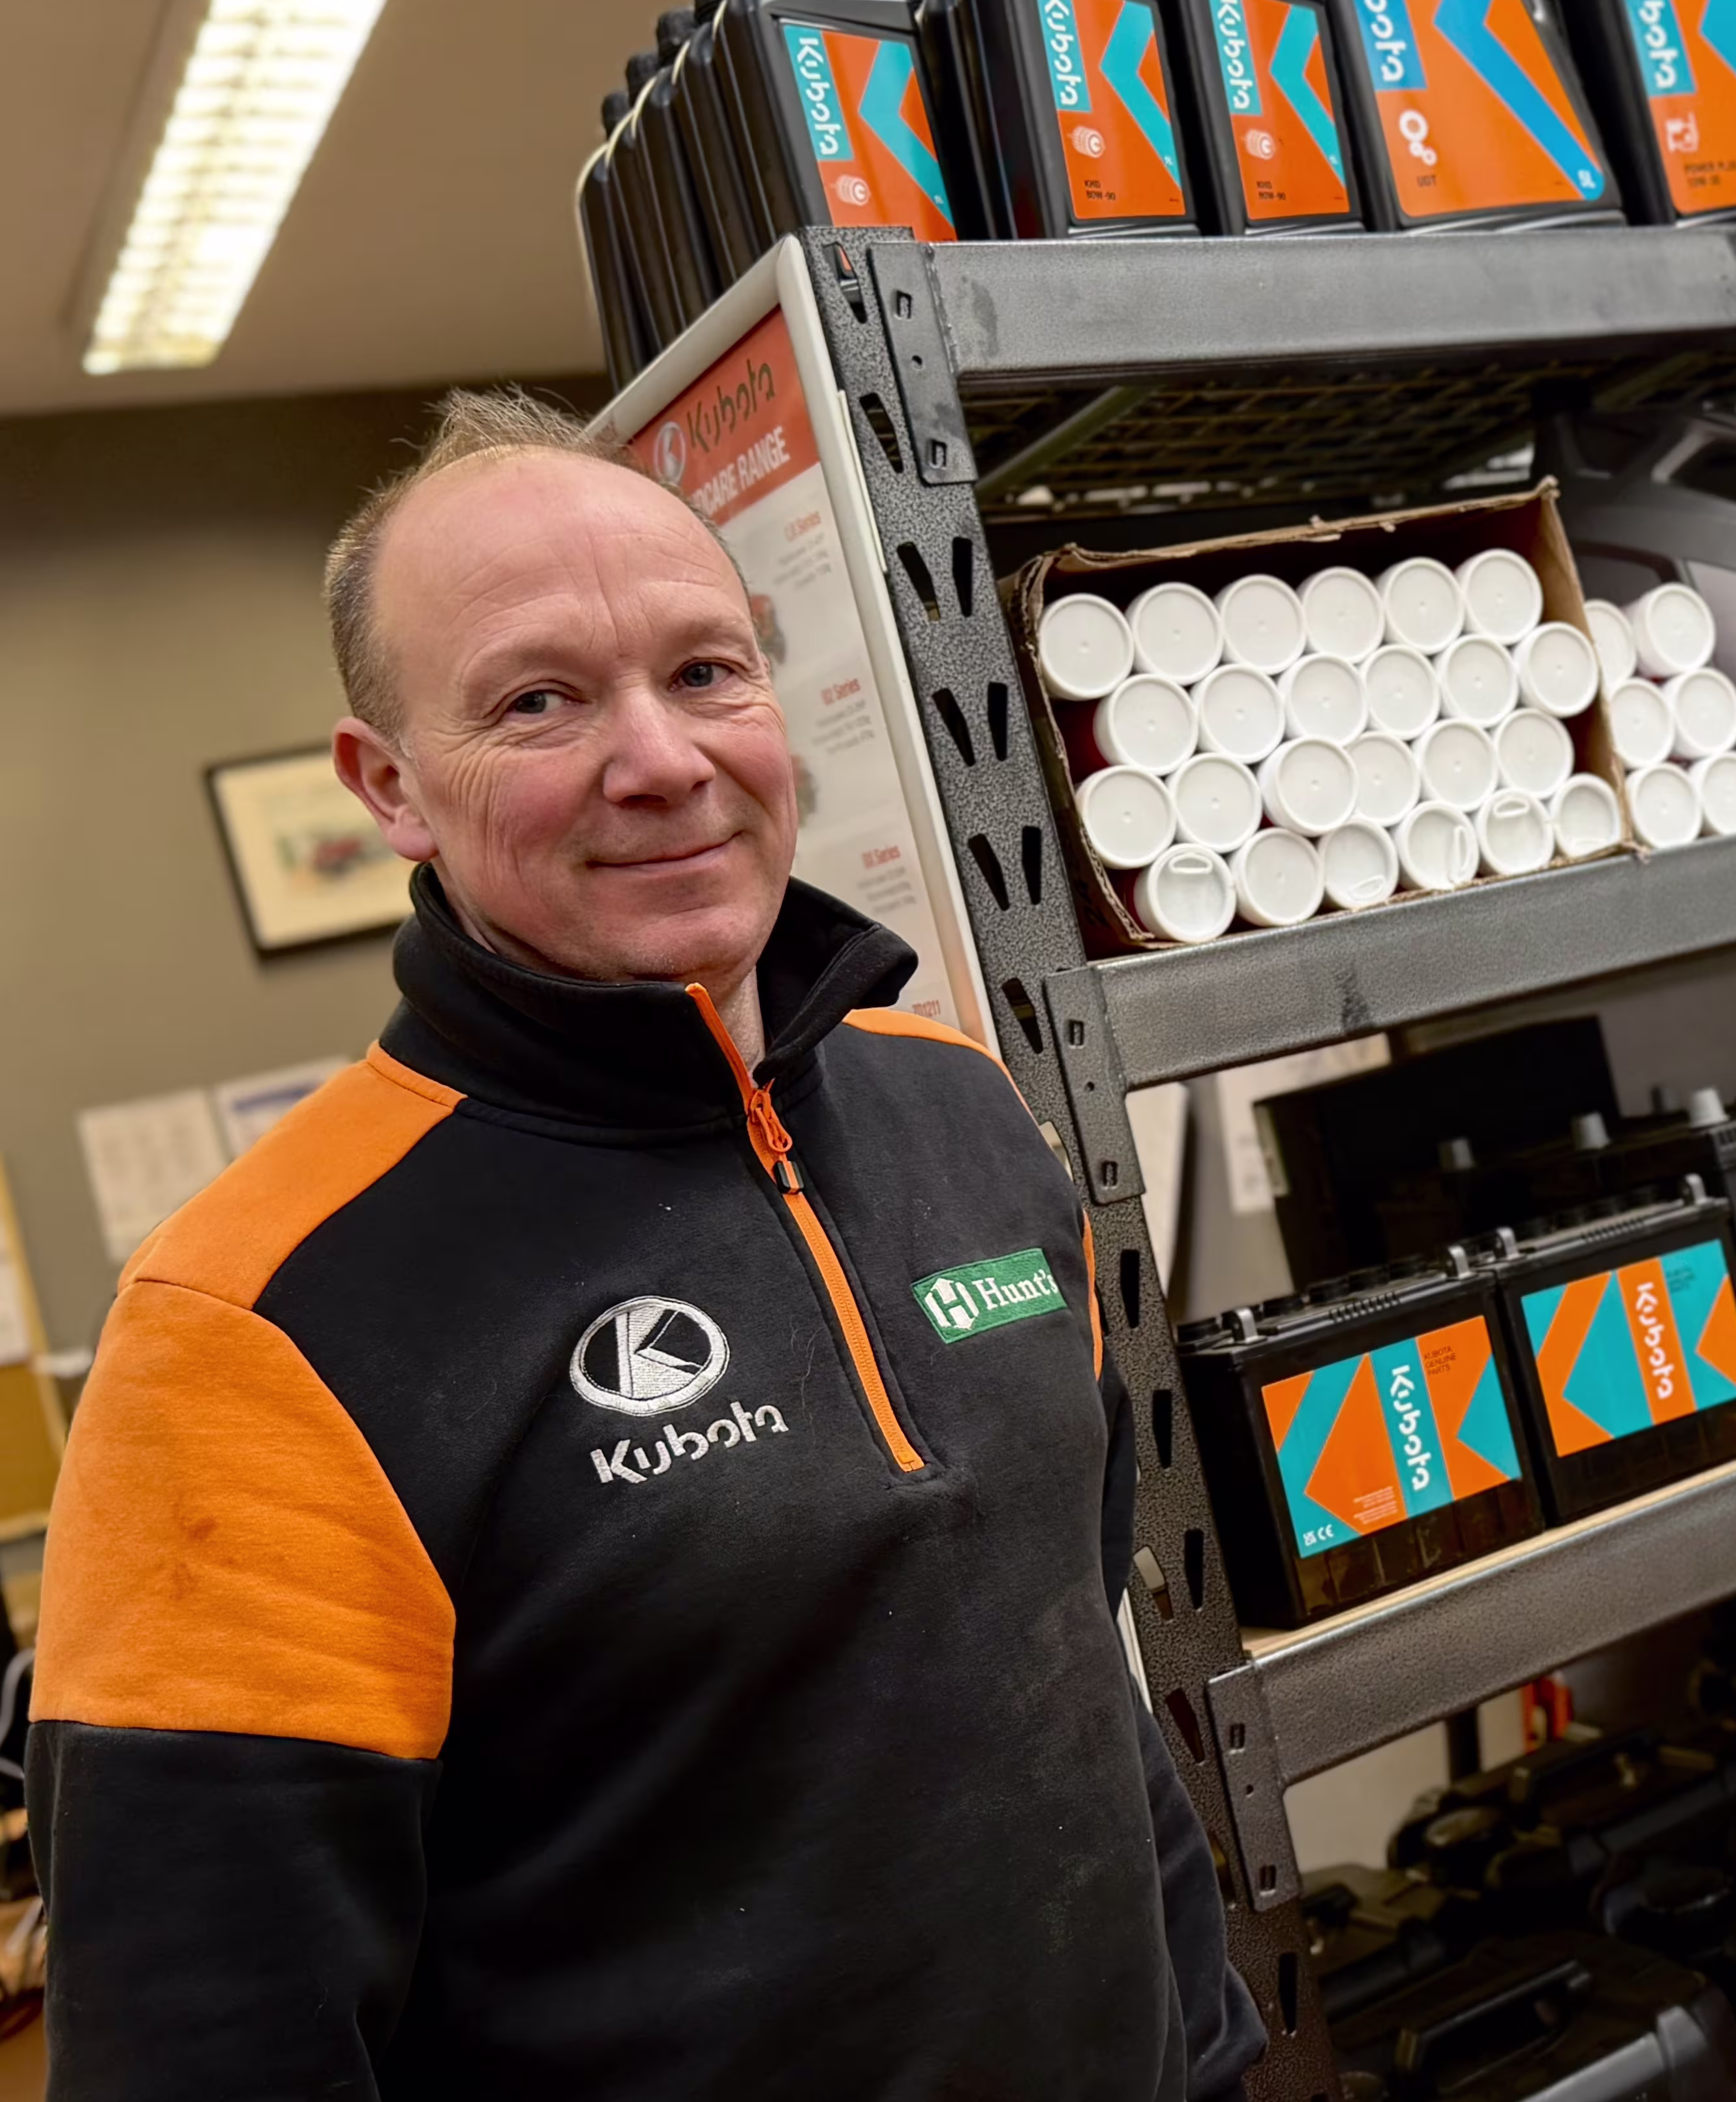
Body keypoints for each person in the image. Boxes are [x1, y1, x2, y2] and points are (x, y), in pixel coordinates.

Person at [28, 390, 1267, 2099]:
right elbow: (209, 2043)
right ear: (389, 786)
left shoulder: (960, 1109)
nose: (663, 759)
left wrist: (1205, 2055)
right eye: (540, 701)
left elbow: (1085, 1686)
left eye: (705, 672)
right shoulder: (254, 1324)